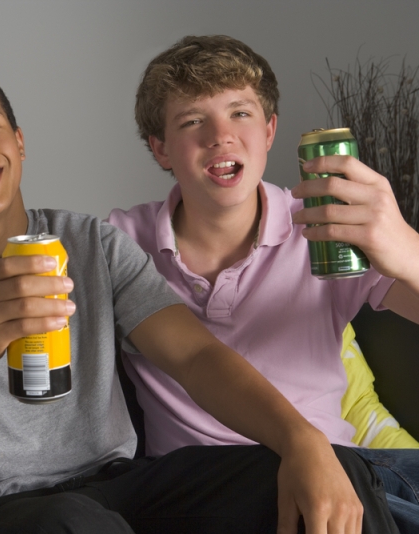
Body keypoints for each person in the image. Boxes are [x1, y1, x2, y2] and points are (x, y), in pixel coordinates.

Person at [0, 61, 398, 533]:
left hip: (123, 486)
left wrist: (302, 440)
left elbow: (195, 355)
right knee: (71, 522)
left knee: (325, 471)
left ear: (18, 142)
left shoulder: (92, 242)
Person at [107, 34, 419, 531]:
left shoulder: (326, 226)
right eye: (193, 121)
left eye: (240, 113)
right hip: (204, 491)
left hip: (344, 473)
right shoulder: (119, 242)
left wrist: (406, 247)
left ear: (270, 130)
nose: (220, 136)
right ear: (161, 148)